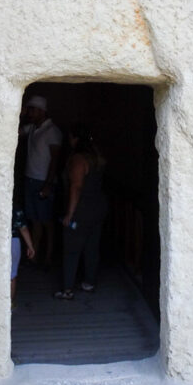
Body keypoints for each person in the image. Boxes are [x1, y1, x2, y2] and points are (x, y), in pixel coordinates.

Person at [54, 123, 108, 300]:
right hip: (98, 207)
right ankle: (89, 282)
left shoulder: (78, 159)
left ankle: (67, 289)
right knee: (92, 247)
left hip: (81, 209)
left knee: (71, 249)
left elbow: (76, 187)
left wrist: (69, 214)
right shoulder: (97, 157)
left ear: (75, 138)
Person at [19, 95, 62, 266]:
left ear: (42, 111)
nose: (30, 112)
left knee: (47, 222)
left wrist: (48, 185)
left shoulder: (52, 131)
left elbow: (55, 160)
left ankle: (49, 256)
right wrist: (20, 115)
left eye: (32, 109)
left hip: (43, 182)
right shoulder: (32, 128)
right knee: (35, 220)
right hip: (30, 179)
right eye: (29, 109)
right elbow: (15, 132)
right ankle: (34, 253)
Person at [11, 205, 35, 308]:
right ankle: (10, 303)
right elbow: (23, 229)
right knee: (12, 275)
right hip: (14, 241)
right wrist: (30, 246)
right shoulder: (16, 210)